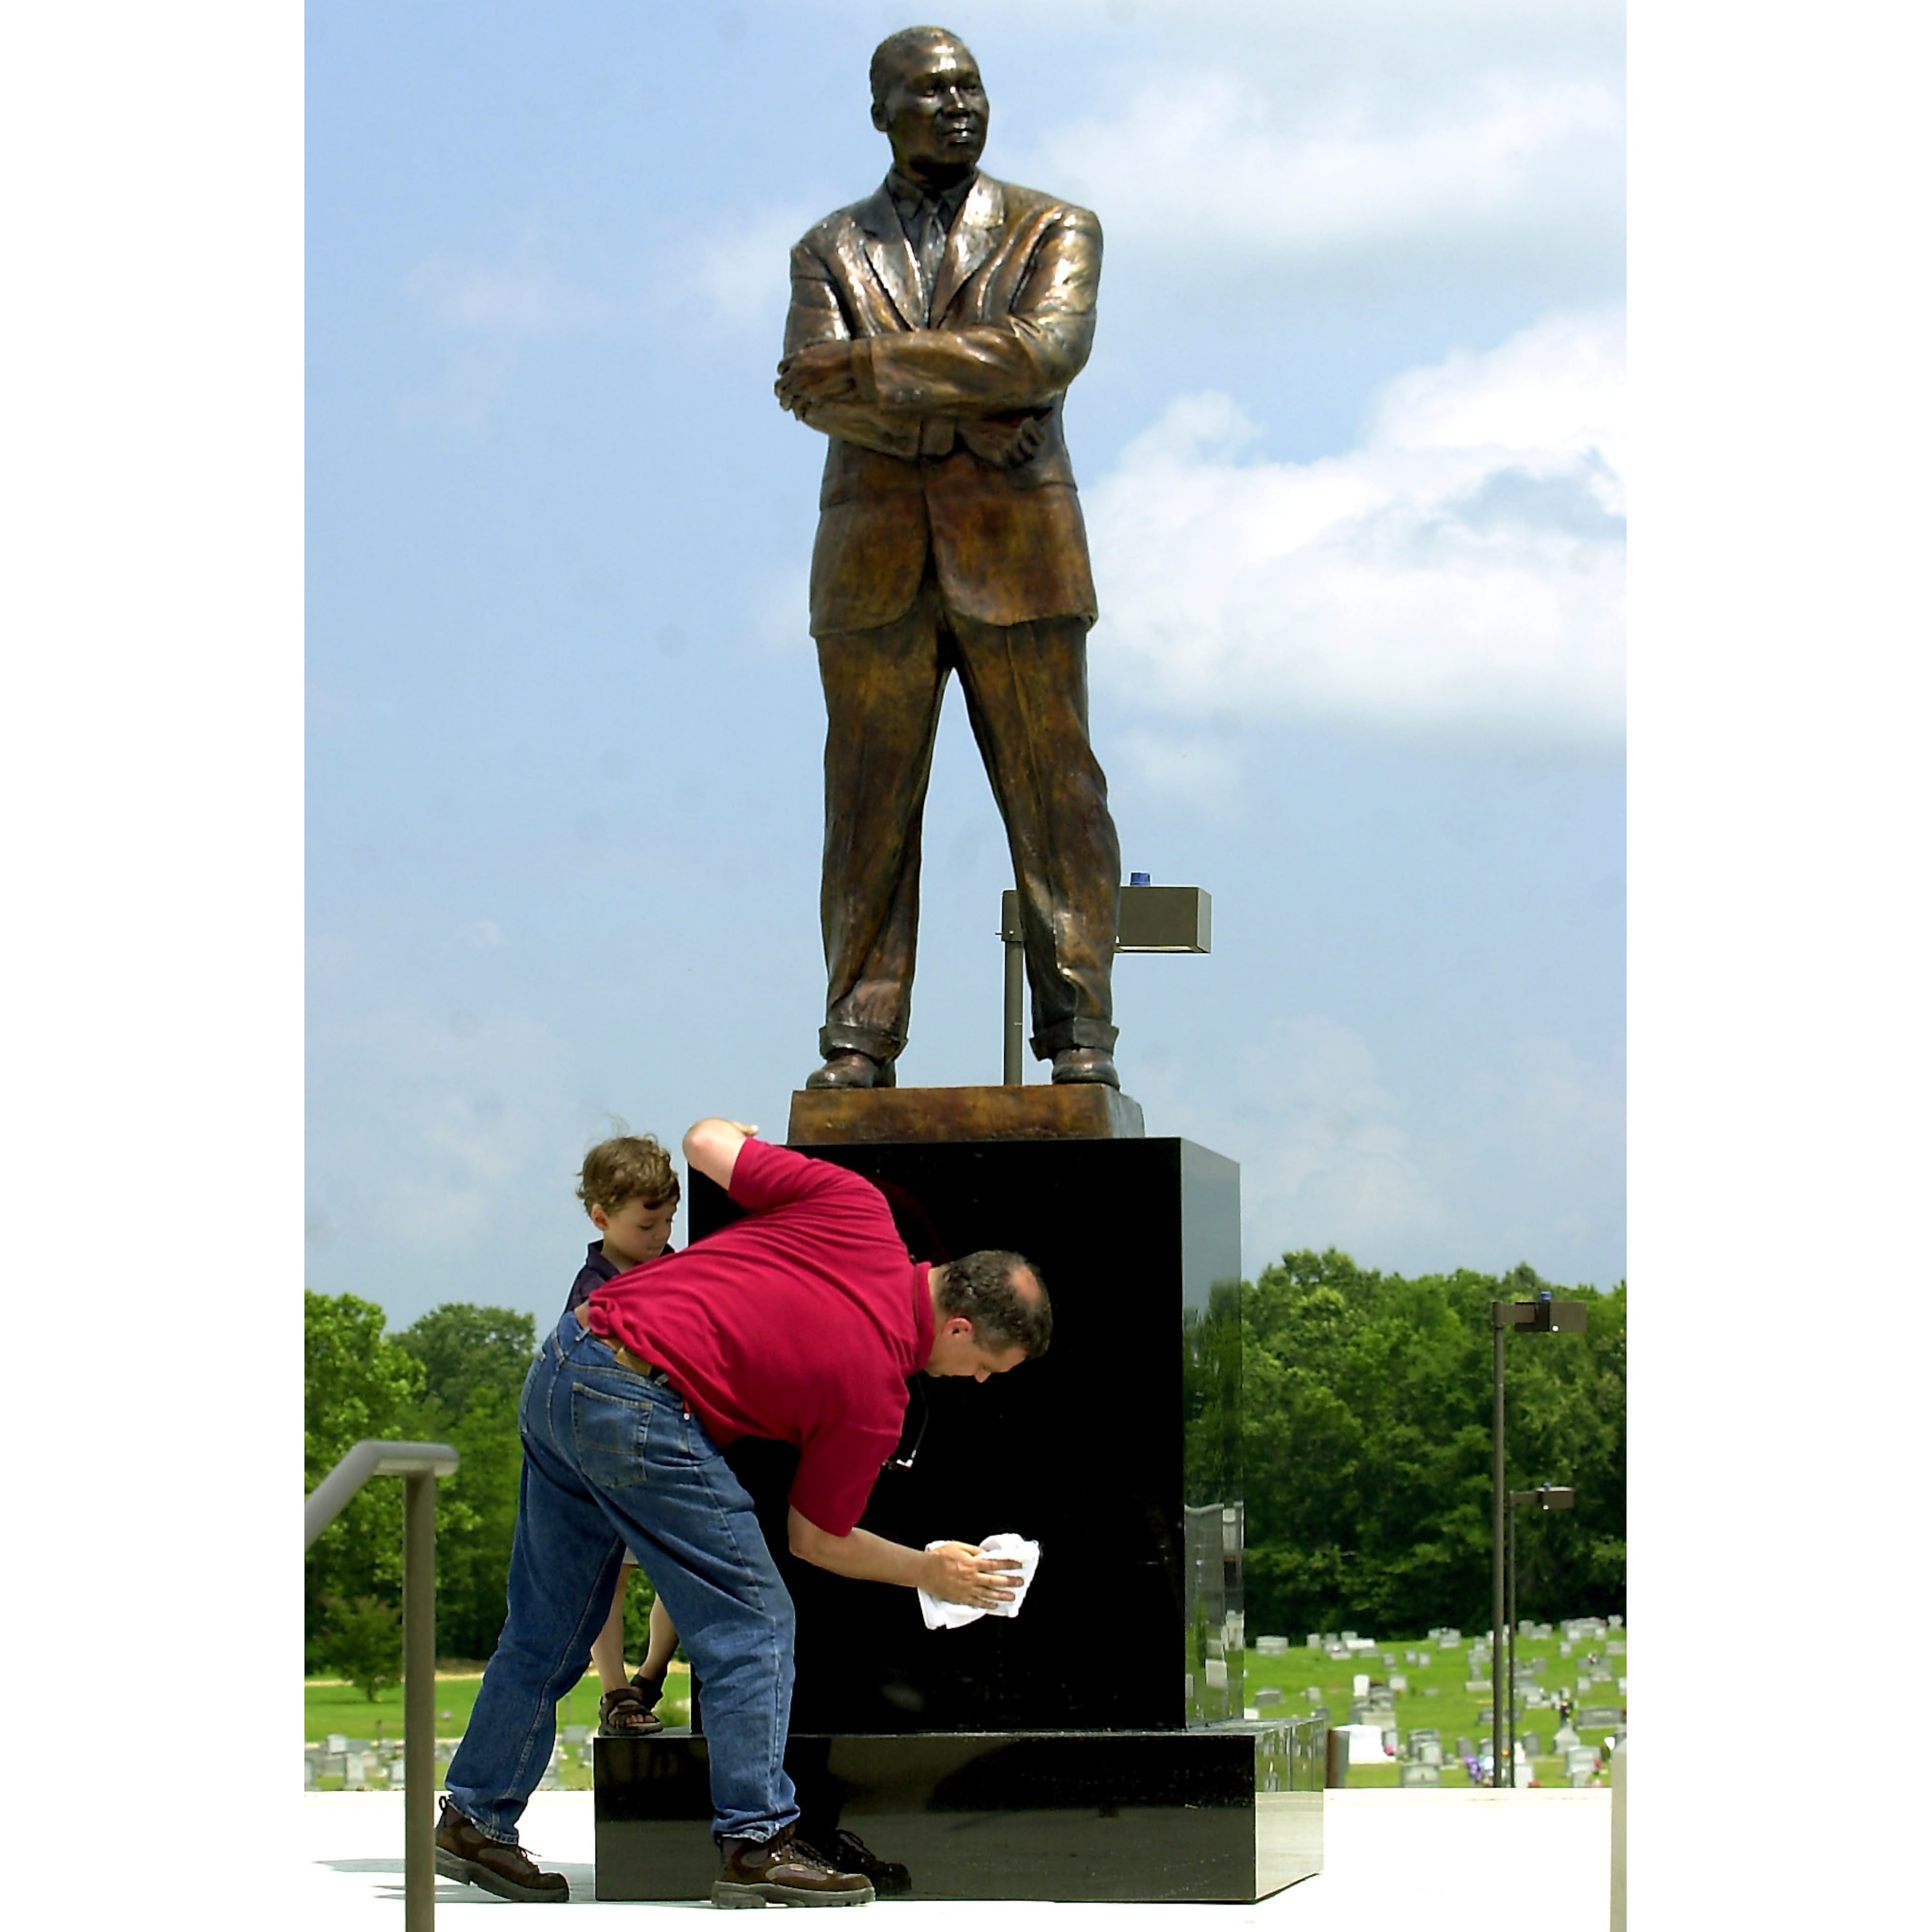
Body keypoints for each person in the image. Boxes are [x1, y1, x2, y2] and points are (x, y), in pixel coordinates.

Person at [435, 1115, 1049, 1907]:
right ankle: (758, 1842)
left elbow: (701, 1143)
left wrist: (737, 1132)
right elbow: (817, 1540)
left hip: (567, 1361)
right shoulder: (875, 1396)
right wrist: (931, 1570)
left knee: (547, 1626)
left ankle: (476, 1816)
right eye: (984, 1367)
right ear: (960, 1326)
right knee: (755, 1624)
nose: (978, 1381)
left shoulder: (856, 1207)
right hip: (641, 1409)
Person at [776, 25, 1123, 1094]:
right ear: (882, 110)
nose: (959, 104)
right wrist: (974, 413)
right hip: (872, 565)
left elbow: (1047, 351)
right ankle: (859, 1034)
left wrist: (876, 371)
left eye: (970, 85)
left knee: (1056, 797)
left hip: (1020, 559)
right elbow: (804, 384)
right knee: (867, 807)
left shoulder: (1054, 226)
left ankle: (1080, 1035)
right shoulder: (828, 248)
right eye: (931, 90)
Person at [565, 1134, 685, 1738]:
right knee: (606, 1569)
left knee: (679, 1564)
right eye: (647, 1224)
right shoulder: (593, 1287)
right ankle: (613, 1687)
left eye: (669, 1220)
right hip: (609, 1447)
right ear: (601, 1216)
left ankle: (652, 1672)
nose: (661, 1235)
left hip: (669, 1440)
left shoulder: (678, 1269)